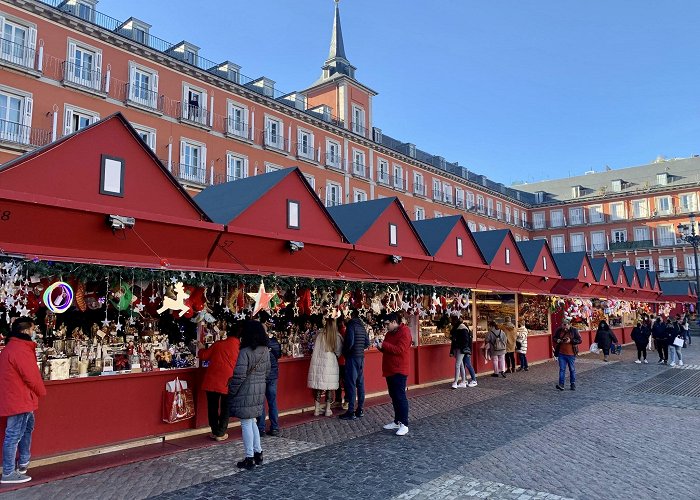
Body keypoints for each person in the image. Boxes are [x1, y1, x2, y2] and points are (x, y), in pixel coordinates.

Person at [0, 317, 46, 484]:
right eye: (33, 329)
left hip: (18, 397)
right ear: (26, 330)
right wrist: (41, 391)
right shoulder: (20, 349)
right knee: (14, 434)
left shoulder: (12, 347)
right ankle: (8, 472)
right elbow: (31, 376)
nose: (34, 333)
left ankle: (23, 462)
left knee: (26, 429)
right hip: (20, 398)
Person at [228, 320, 271, 470]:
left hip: (245, 391)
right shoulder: (266, 350)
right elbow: (267, 372)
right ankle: (258, 453)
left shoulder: (245, 352)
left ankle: (249, 457)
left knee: (246, 423)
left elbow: (238, 376)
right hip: (259, 390)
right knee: (252, 422)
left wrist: (231, 391)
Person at [198, 326, 240, 442]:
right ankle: (220, 432)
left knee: (212, 407)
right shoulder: (240, 348)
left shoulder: (218, 344)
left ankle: (215, 430)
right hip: (228, 381)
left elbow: (203, 356)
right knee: (225, 408)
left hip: (212, 380)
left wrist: (201, 348)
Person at [378, 312, 412, 436]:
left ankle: (404, 424)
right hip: (390, 369)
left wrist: (384, 345)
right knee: (394, 395)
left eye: (387, 324)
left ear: (393, 322)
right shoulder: (389, 333)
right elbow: (388, 349)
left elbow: (400, 349)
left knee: (400, 396)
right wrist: (380, 347)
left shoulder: (405, 332)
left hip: (399, 369)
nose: (386, 326)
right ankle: (397, 421)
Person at [307, 317, 342, 417]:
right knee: (329, 387)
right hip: (331, 364)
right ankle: (327, 409)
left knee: (318, 386)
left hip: (319, 364)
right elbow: (338, 352)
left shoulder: (319, 335)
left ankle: (316, 410)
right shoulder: (336, 336)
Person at [339, 309, 370, 420]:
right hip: (361, 358)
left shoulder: (351, 326)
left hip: (352, 358)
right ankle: (360, 409)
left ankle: (351, 411)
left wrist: (345, 353)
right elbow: (367, 343)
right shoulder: (362, 327)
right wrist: (360, 349)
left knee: (351, 384)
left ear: (351, 315)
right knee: (360, 384)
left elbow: (350, 342)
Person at [257, 313, 282, 437]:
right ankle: (275, 427)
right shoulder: (274, 342)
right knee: (272, 402)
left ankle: (261, 428)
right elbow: (279, 354)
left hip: (261, 375)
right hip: (272, 375)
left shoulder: (256, 344)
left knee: (260, 403)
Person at [449, 313, 477, 388]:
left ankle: (456, 382)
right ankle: (463, 381)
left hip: (460, 349)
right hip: (459, 348)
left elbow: (465, 340)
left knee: (458, 364)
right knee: (461, 364)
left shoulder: (461, 327)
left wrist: (461, 348)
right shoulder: (459, 327)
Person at [553, 319, 581, 391]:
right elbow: (554, 338)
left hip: (571, 354)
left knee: (572, 369)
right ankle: (561, 384)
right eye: (563, 325)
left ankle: (572, 383)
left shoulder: (574, 330)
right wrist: (557, 340)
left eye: (566, 325)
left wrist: (570, 341)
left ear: (569, 324)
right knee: (562, 369)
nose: (564, 328)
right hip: (561, 353)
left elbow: (579, 340)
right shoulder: (559, 330)